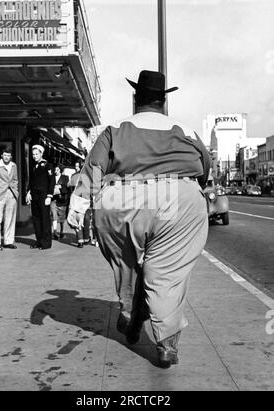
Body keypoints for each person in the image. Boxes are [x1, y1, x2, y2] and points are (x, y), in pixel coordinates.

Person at [68, 70, 210, 368]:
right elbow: (205, 169)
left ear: (136, 98)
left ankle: (130, 308)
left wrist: (77, 207)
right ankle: (166, 343)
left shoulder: (115, 128)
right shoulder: (186, 130)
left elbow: (94, 168)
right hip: (179, 198)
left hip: (123, 198)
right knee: (167, 274)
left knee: (127, 261)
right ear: (163, 101)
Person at [0, 147, 19, 251]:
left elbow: (15, 179)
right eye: (5, 155)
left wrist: (15, 191)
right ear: (2, 155)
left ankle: (8, 241)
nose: (7, 157)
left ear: (11, 156)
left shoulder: (14, 165)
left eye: (9, 155)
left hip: (11, 194)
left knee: (10, 219)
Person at [26, 145, 55, 250]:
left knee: (45, 220)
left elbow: (52, 181)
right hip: (35, 196)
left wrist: (49, 195)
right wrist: (28, 192)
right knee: (36, 219)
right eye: (33, 154)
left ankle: (46, 243)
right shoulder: (34, 166)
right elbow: (31, 181)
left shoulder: (48, 165)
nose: (34, 156)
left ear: (41, 153)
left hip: (44, 196)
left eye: (36, 154)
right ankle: (39, 241)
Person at [68, 162, 91, 248]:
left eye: (77, 166)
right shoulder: (89, 176)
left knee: (77, 219)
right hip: (85, 201)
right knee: (86, 220)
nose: (76, 168)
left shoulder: (74, 176)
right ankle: (85, 239)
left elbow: (69, 185)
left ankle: (80, 240)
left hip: (76, 201)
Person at [51, 164, 69, 240]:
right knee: (54, 215)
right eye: (55, 170)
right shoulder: (52, 177)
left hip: (61, 200)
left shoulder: (65, 178)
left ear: (61, 170)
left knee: (61, 217)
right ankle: (55, 232)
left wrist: (61, 187)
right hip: (53, 200)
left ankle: (61, 231)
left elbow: (68, 188)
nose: (56, 171)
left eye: (57, 170)